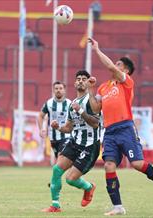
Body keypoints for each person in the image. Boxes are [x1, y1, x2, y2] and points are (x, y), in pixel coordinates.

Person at [87, 38, 153, 216]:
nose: (114, 66)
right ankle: (118, 207)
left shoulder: (126, 82)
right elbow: (96, 109)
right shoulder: (104, 87)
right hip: (110, 131)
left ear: (125, 70)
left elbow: (111, 68)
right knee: (109, 166)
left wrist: (97, 50)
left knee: (136, 163)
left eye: (118, 64)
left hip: (125, 127)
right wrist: (91, 89)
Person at [42, 70, 100, 213]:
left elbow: (95, 123)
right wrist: (58, 127)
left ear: (88, 82)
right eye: (78, 79)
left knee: (70, 179)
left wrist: (80, 111)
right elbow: (69, 128)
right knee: (56, 169)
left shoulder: (91, 100)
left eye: (84, 79)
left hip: (90, 145)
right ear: (74, 83)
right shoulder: (72, 104)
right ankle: (55, 206)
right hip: (75, 142)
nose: (81, 81)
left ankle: (88, 187)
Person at [38, 81, 71, 159]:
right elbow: (40, 116)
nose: (58, 90)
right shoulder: (49, 103)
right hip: (53, 137)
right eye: (56, 88)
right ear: (53, 90)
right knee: (60, 162)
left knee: (61, 158)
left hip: (66, 136)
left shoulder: (70, 103)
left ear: (64, 90)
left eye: (60, 88)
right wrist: (41, 129)